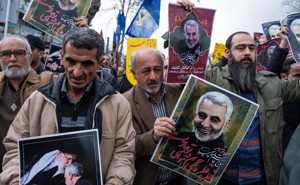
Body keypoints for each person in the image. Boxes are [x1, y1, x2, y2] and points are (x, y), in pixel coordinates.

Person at [0, 27, 135, 185]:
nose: (77, 72)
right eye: (71, 61)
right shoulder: (38, 100)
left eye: (86, 64)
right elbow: (15, 149)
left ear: (99, 63)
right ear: (62, 57)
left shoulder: (117, 104)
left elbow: (123, 154)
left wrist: (115, 182)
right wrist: (15, 180)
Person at [206, 31, 300, 185]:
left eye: (251, 48)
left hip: (260, 180)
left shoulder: (271, 84)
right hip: (220, 179)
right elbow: (186, 70)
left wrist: (297, 47)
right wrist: (186, 12)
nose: (247, 53)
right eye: (241, 48)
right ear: (227, 53)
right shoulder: (212, 80)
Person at [0, 36, 55, 173]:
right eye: (6, 54)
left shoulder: (47, 82)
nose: (12, 59)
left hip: (31, 166)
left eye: (19, 53)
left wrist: (82, 31)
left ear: (30, 57)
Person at [163, 91, 233, 181]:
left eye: (215, 120)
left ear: (226, 123)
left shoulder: (225, 155)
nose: (205, 124)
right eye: (202, 115)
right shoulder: (176, 138)